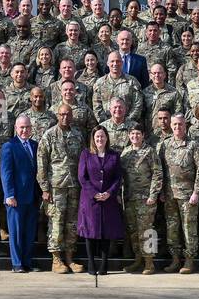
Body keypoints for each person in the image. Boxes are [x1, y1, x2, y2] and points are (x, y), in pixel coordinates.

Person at [38, 103, 87, 273]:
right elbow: (41, 163)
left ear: (72, 116)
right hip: (56, 187)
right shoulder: (49, 136)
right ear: (57, 115)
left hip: (74, 186)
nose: (65, 117)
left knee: (72, 223)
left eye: (68, 114)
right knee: (57, 221)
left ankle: (69, 257)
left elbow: (83, 160)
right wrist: (44, 188)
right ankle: (56, 259)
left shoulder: (78, 135)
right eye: (62, 114)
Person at [156, 113, 199, 274]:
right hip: (170, 194)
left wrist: (196, 192)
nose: (177, 127)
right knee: (172, 229)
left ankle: (189, 260)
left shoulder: (193, 145)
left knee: (189, 229)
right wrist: (161, 191)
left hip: (188, 195)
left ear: (185, 126)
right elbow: (160, 170)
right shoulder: (164, 145)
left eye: (180, 124)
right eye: (175, 125)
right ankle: (175, 259)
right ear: (171, 126)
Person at [77, 126, 124, 275]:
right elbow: (82, 177)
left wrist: (109, 193)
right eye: (97, 137)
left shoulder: (114, 155)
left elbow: (118, 177)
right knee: (90, 232)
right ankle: (91, 264)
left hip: (108, 200)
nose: (100, 139)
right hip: (91, 200)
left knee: (106, 233)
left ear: (107, 138)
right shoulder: (86, 154)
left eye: (102, 136)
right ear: (93, 139)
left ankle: (104, 265)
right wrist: (94, 193)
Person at [119, 126, 162, 274]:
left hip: (145, 198)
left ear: (143, 135)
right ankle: (138, 260)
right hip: (129, 198)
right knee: (133, 231)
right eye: (132, 133)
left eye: (138, 133)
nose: (135, 136)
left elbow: (157, 174)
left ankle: (149, 262)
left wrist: (153, 195)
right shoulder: (125, 152)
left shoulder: (150, 151)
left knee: (147, 231)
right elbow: (121, 176)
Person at [0, 114, 39, 273]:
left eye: (27, 127)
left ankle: (27, 262)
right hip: (15, 197)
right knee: (15, 232)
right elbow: (6, 172)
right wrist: (9, 195)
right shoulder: (9, 146)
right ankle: (17, 264)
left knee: (29, 232)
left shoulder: (35, 145)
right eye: (22, 127)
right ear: (16, 128)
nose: (25, 130)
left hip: (32, 196)